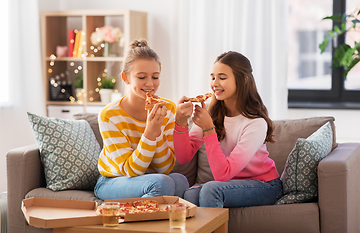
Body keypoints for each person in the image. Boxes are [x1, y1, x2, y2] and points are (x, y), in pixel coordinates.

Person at [173, 51, 283, 208]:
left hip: (265, 185)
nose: (214, 83)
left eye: (222, 78)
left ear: (243, 80)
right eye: (212, 77)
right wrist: (181, 122)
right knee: (190, 194)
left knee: (210, 190)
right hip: (231, 183)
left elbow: (222, 174)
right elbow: (184, 157)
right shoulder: (212, 114)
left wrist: (208, 129)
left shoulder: (255, 123)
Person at [94, 39, 189, 200]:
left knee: (180, 181)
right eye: (142, 77)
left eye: (155, 76)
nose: (150, 84)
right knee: (161, 184)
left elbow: (164, 168)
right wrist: (150, 132)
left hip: (152, 179)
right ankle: (139, 221)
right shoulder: (109, 115)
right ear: (126, 78)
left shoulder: (168, 109)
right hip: (113, 180)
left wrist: (157, 131)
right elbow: (131, 171)